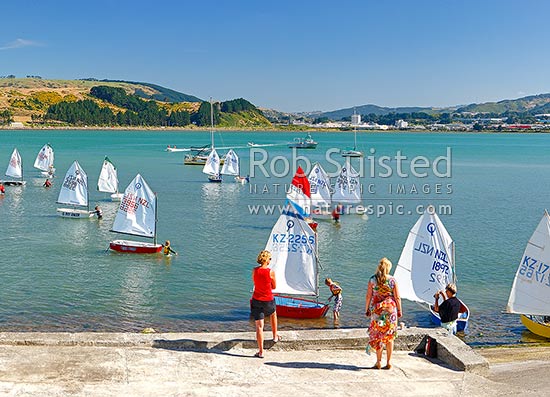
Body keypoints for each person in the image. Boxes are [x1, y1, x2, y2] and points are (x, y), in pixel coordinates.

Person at [365, 257, 402, 370]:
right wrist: (399, 310)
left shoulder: (372, 280)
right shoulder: (392, 280)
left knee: (378, 336)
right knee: (390, 336)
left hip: (377, 312)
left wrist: (367, 309)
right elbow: (397, 297)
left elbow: (368, 296)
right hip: (391, 311)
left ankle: (378, 362)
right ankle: (389, 361)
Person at [250, 250, 279, 358]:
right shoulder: (270, 272)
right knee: (273, 314)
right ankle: (275, 335)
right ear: (266, 260)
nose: (270, 260)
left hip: (256, 299)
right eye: (270, 258)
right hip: (268, 299)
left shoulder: (254, 270)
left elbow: (255, 282)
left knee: (259, 326)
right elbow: (274, 286)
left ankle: (261, 351)